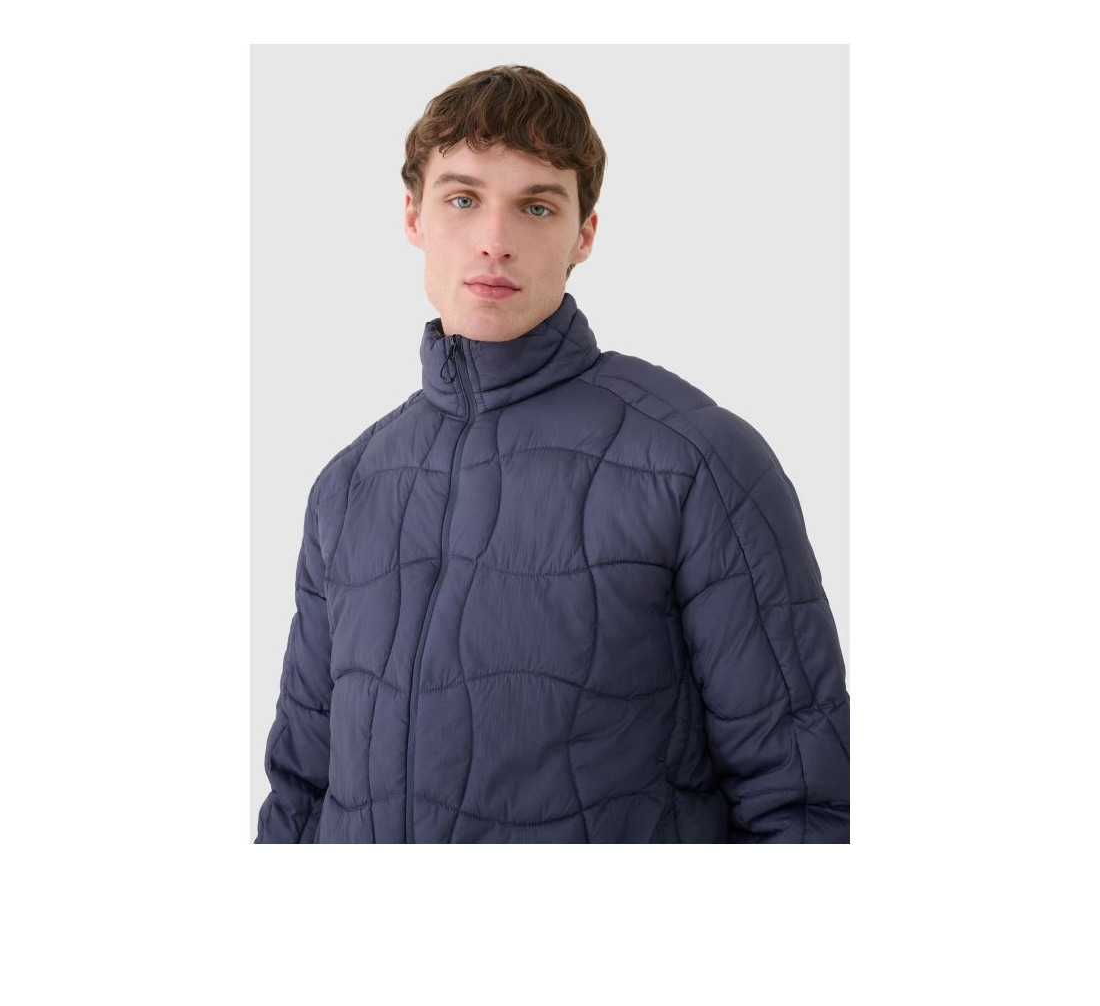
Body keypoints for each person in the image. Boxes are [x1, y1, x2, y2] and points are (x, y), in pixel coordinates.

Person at [254, 64, 850, 843]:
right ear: (413, 216)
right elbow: (299, 795)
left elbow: (805, 802)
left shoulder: (697, 461)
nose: (495, 242)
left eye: (536, 206)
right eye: (462, 199)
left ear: (584, 233)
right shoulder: (350, 484)